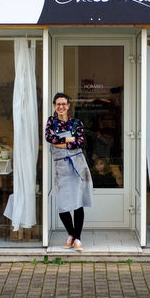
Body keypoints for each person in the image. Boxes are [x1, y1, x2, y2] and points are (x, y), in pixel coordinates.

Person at [45, 93, 93, 252]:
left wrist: (60, 142)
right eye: (58, 104)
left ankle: (77, 238)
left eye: (64, 104)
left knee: (78, 202)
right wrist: (69, 140)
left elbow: (80, 142)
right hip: (62, 168)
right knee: (63, 205)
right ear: (54, 106)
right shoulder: (51, 121)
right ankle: (71, 233)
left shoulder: (76, 123)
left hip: (78, 166)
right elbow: (49, 138)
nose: (61, 107)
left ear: (68, 105)